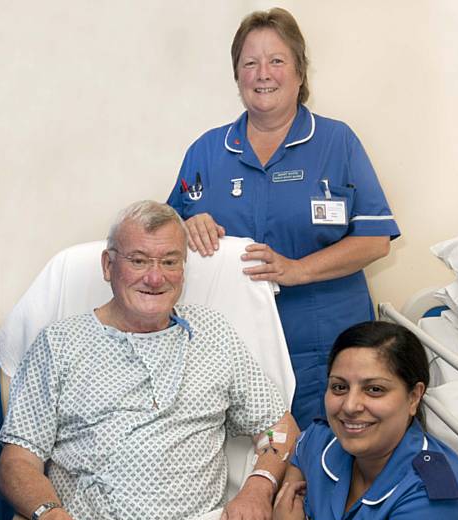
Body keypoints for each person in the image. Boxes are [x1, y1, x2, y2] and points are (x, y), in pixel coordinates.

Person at [0, 200, 299, 520]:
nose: (155, 278)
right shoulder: (59, 345)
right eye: (138, 260)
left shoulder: (213, 333)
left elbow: (278, 425)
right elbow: (17, 461)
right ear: (108, 265)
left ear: (184, 267)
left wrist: (260, 484)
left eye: (169, 261)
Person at [168, 8, 400, 430]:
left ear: (299, 71)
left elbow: (374, 240)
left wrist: (297, 270)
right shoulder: (206, 151)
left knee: (324, 461)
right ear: (236, 74)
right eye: (249, 62)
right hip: (232, 348)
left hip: (324, 343)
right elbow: (162, 242)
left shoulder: (336, 142)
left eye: (276, 60)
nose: (263, 73)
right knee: (251, 465)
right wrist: (186, 227)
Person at [273, 321, 458, 520]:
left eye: (374, 389)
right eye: (339, 387)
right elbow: (300, 452)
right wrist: (290, 493)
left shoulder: (435, 505)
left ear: (414, 396)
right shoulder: (328, 442)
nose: (349, 406)